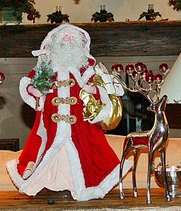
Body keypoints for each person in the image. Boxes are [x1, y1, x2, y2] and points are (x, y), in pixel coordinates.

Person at [7, 24, 124, 201]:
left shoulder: (84, 68)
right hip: (51, 121)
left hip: (80, 123)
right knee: (46, 147)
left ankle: (77, 184)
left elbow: (100, 86)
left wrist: (95, 90)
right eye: (65, 37)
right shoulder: (46, 67)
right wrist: (33, 90)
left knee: (84, 151)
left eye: (72, 38)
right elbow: (29, 81)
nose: (68, 41)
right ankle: (46, 180)